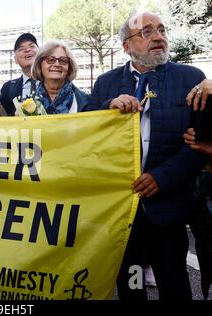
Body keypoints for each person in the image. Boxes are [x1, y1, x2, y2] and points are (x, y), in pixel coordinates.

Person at [86, 12, 207, 300]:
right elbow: (86, 127)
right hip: (122, 213)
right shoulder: (106, 82)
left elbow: (201, 144)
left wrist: (162, 177)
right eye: (147, 31)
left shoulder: (191, 78)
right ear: (126, 46)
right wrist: (108, 106)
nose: (158, 36)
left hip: (169, 209)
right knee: (132, 283)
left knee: (174, 284)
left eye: (162, 30)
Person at [31, 40, 89, 114]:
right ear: (39, 65)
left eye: (63, 61)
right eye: (51, 60)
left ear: (69, 67)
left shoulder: (85, 102)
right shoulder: (27, 104)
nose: (57, 64)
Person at [0, 33, 39, 116]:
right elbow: (0, 118)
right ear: (15, 59)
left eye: (32, 46)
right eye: (21, 49)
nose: (27, 50)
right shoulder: (7, 88)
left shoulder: (55, 83)